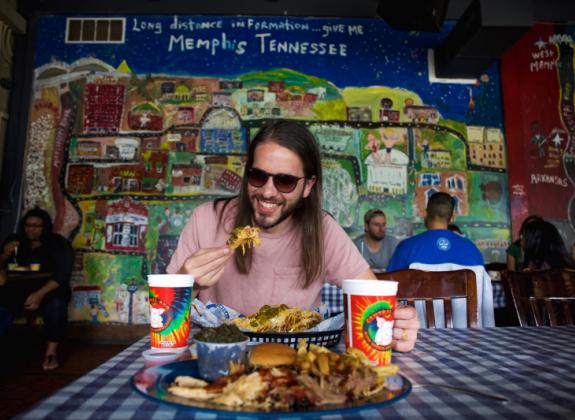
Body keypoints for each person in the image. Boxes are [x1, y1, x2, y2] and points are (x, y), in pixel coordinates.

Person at [167, 120, 419, 352]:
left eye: (285, 181)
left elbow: (372, 299)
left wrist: (396, 326)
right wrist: (185, 284)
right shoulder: (206, 219)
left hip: (295, 367)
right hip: (217, 359)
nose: (267, 192)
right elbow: (164, 319)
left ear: (308, 186)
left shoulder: (323, 230)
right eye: (257, 176)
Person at [387, 192, 495, 327]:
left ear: (426, 213)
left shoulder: (406, 248)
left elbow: (388, 290)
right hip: (466, 336)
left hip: (418, 336)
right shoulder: (472, 250)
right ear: (453, 217)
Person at [0, 207, 73, 370]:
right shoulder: (15, 241)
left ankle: (51, 353)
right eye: (27, 225)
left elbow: (62, 274)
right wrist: (5, 254)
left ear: (45, 227)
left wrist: (39, 294)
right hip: (17, 289)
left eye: (36, 226)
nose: (30, 229)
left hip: (48, 290)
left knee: (56, 304)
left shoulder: (57, 244)